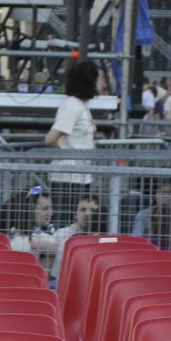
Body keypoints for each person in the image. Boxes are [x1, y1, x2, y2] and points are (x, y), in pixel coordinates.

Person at [45, 59, 100, 228]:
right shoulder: (72, 106)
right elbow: (50, 139)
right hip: (67, 178)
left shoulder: (81, 105)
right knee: (66, 225)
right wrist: (65, 152)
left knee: (79, 226)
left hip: (80, 177)